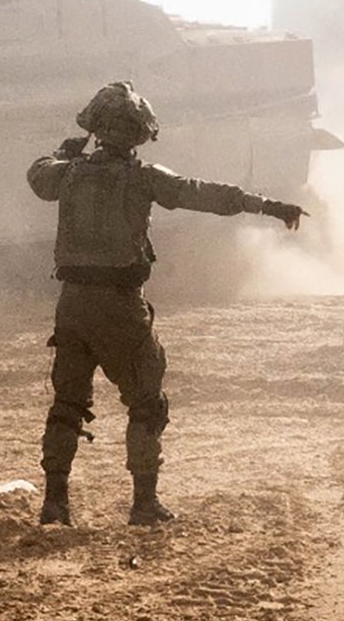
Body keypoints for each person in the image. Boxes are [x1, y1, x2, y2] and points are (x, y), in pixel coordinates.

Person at [26, 81, 305, 527]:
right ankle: (143, 504)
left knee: (66, 404)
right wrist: (269, 206)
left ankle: (55, 503)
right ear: (139, 134)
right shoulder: (143, 177)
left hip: (72, 304)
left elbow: (38, 174)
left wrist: (67, 149)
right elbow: (203, 193)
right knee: (147, 404)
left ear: (96, 128)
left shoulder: (66, 174)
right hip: (120, 307)